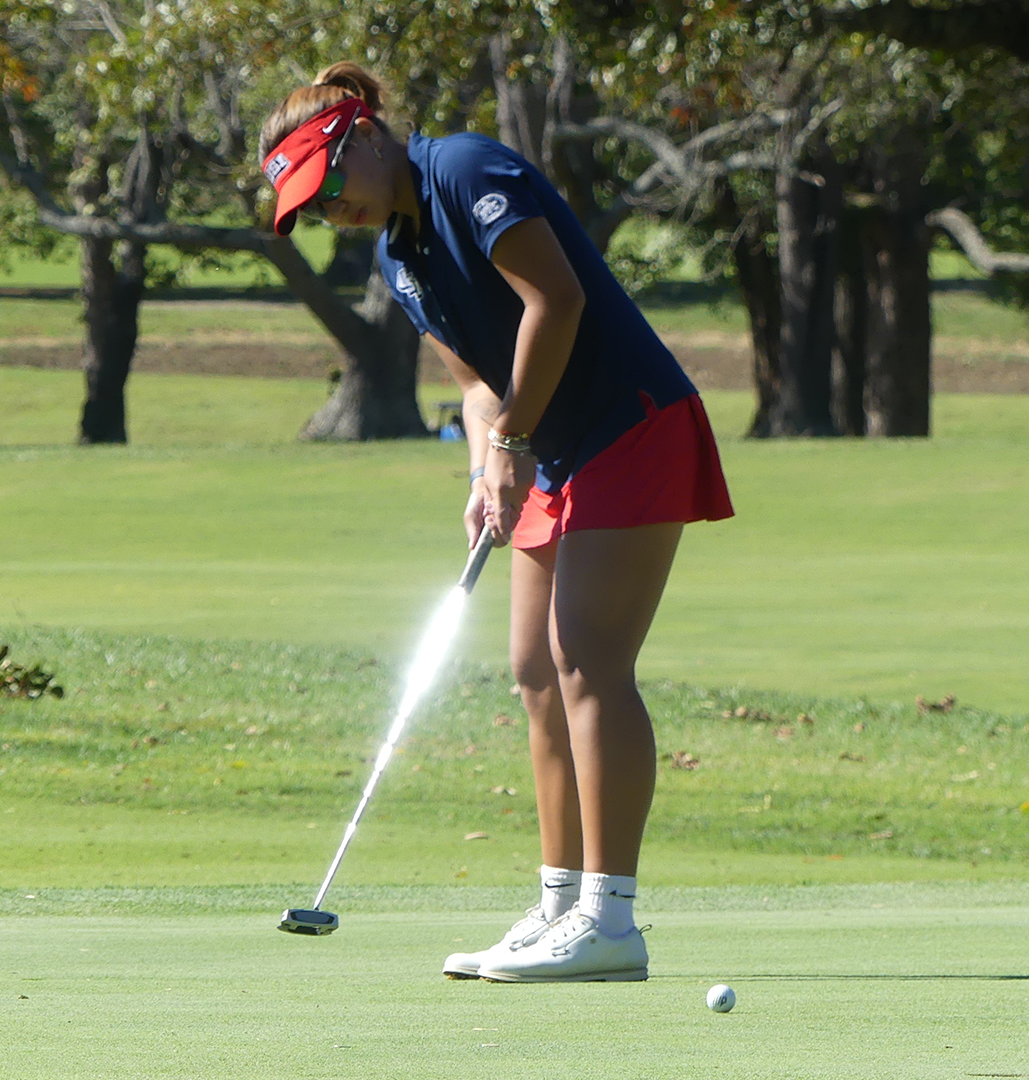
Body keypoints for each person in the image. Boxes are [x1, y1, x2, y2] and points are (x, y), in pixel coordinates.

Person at [260, 63, 733, 983]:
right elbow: (477, 385)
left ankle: (611, 919)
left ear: (362, 138)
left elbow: (557, 302)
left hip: (630, 422)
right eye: (312, 212)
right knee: (534, 672)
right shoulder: (398, 258)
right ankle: (558, 905)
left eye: (330, 192)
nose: (331, 216)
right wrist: (487, 468)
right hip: (548, 449)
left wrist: (512, 438)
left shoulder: (466, 170)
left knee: (588, 660)